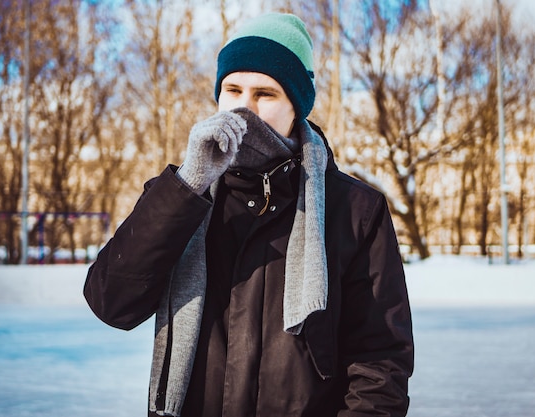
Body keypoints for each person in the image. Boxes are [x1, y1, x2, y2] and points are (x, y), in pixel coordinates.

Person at [84, 12, 414, 417]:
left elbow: (380, 363)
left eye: (265, 94)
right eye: (232, 89)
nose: (243, 109)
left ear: (297, 105)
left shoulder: (356, 210)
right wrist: (189, 186)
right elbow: (111, 302)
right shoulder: (179, 195)